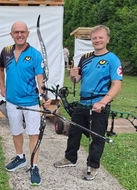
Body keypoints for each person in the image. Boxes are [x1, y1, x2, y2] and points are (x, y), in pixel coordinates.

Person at [53, 25, 123, 180]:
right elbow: (77, 80)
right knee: (74, 131)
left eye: (100, 37)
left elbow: (117, 84)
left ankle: (92, 165)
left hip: (99, 105)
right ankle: (70, 158)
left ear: (107, 39)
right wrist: (72, 76)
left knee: (97, 137)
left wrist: (102, 102)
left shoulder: (112, 59)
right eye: (94, 38)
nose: (97, 40)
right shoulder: (85, 57)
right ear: (91, 40)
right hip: (83, 103)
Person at [0, 21, 51, 186]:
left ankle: (34, 166)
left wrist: (44, 95)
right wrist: (2, 86)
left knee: (33, 134)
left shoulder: (35, 54)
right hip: (12, 101)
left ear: (27, 34)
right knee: (16, 132)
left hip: (30, 102)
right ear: (11, 34)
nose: (19, 35)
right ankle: (20, 158)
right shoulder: (5, 52)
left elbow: (40, 78)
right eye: (16, 32)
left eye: (22, 32)